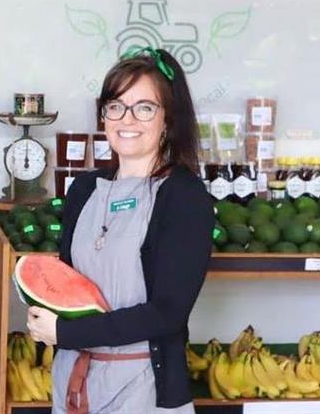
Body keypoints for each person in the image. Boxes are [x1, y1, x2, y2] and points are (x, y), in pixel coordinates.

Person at [26, 48, 214, 414]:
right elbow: (66, 285)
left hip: (142, 389)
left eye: (145, 108)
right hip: (73, 382)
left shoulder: (183, 196)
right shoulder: (84, 190)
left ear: (168, 120)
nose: (127, 119)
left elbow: (167, 312)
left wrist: (66, 333)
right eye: (116, 106)